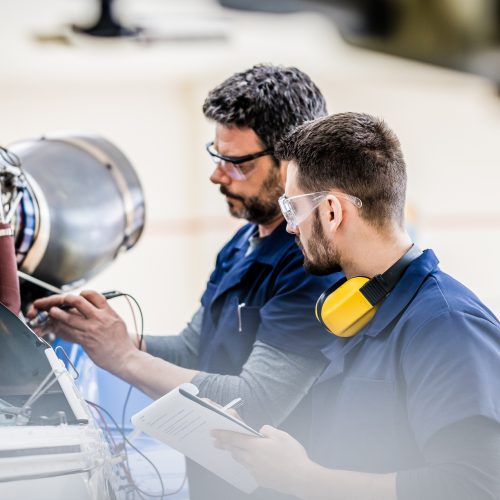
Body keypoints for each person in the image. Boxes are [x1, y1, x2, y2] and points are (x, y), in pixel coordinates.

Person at [29, 65, 343, 499]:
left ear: (292, 162)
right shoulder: (242, 243)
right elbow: (195, 349)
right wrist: (101, 335)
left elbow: (255, 401)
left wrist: (123, 358)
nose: (217, 176)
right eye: (216, 157)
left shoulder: (313, 263)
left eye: (236, 164)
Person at [213, 112, 500, 500]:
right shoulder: (361, 311)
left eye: (293, 208)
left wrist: (303, 479)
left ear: (332, 211)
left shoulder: (445, 326)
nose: (291, 226)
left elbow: (476, 486)